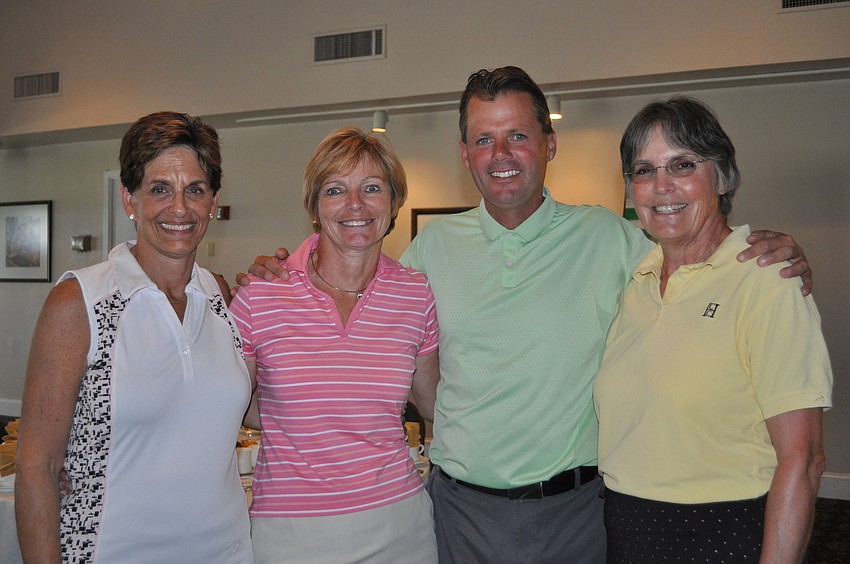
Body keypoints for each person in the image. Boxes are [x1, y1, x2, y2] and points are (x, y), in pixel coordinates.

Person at [241, 67, 812, 563]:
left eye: (518, 134)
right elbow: (367, 297)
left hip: (579, 511)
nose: (502, 154)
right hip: (458, 511)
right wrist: (283, 265)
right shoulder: (429, 254)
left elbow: (695, 249)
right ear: (464, 154)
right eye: (483, 140)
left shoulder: (613, 239)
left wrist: (766, 252)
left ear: (549, 143)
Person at [593, 96, 831, 563]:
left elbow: (803, 461)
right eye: (643, 171)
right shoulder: (637, 282)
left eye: (682, 164)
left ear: (723, 177)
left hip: (722, 534)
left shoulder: (766, 280)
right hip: (628, 526)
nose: (661, 186)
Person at [15, 112, 253, 562]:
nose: (179, 208)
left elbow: (257, 406)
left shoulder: (220, 295)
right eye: (160, 189)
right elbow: (37, 467)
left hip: (226, 551)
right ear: (130, 199)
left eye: (195, 190)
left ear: (213, 201)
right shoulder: (79, 302)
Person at [229, 127, 440, 563]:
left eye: (372, 188)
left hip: (399, 525)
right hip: (291, 533)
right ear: (313, 207)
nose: (355, 205)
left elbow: (436, 404)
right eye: (335, 190)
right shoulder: (261, 294)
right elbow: (230, 407)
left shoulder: (415, 293)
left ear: (394, 202)